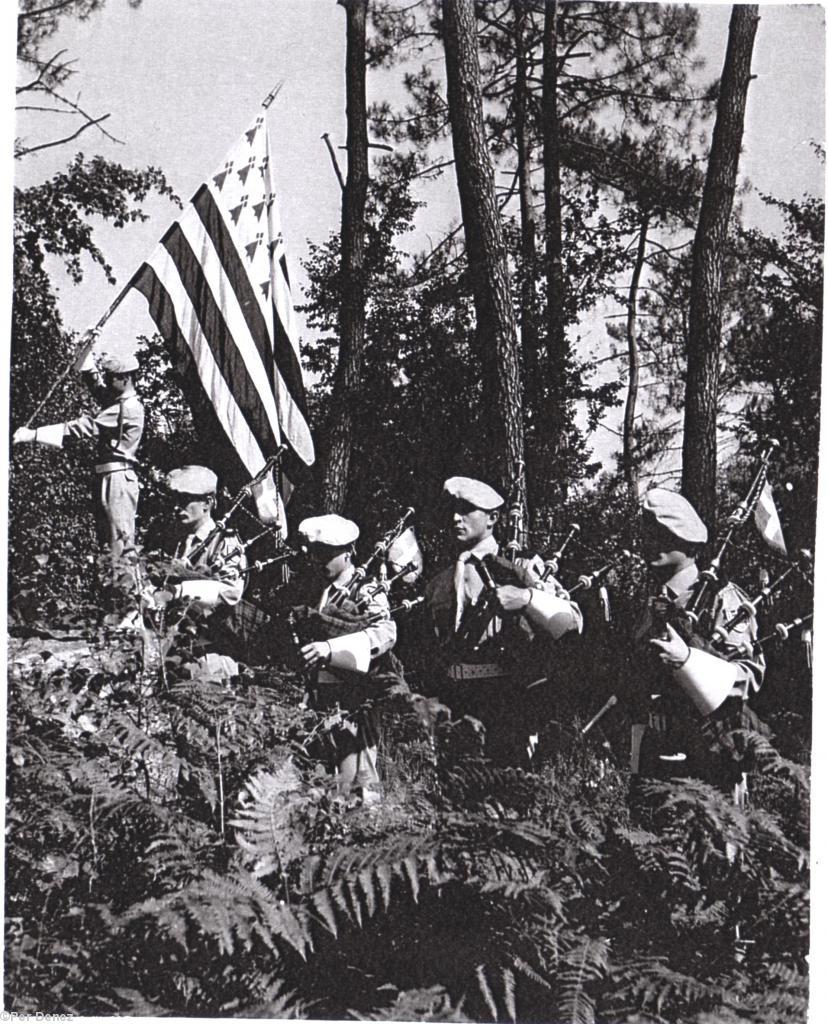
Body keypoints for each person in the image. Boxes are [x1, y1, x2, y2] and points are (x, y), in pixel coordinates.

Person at [425, 476, 582, 767]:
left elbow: (571, 621)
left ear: (493, 518)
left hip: (503, 698)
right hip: (452, 698)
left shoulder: (522, 568)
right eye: (454, 510)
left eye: (467, 509)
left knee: (502, 790)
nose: (456, 518)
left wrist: (525, 597)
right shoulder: (441, 579)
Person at [629, 488, 765, 804]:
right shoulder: (651, 603)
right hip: (655, 746)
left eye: (663, 534)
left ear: (688, 543)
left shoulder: (722, 598)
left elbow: (748, 675)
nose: (651, 543)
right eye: (648, 534)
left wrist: (691, 661)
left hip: (709, 750)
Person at [295, 513, 399, 804]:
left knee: (360, 782)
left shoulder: (365, 590)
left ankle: (367, 837)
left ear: (349, 552)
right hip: (322, 696)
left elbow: (385, 633)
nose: (320, 561)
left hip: (356, 695)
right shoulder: (319, 592)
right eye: (317, 553)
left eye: (328, 554)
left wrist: (331, 648)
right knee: (324, 780)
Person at [12, 351, 145, 562]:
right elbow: (96, 386)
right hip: (109, 477)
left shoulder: (127, 408)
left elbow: (84, 427)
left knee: (120, 542)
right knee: (106, 544)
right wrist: (87, 348)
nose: (107, 383)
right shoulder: (118, 402)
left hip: (118, 479)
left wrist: (35, 435)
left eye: (111, 379)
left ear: (125, 378)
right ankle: (110, 586)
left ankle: (126, 589)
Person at [145, 465, 247, 681]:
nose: (177, 507)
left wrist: (179, 590)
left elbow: (230, 594)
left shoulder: (224, 542)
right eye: (174, 500)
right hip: (172, 646)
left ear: (207, 503)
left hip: (208, 652)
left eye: (185, 500)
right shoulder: (176, 539)